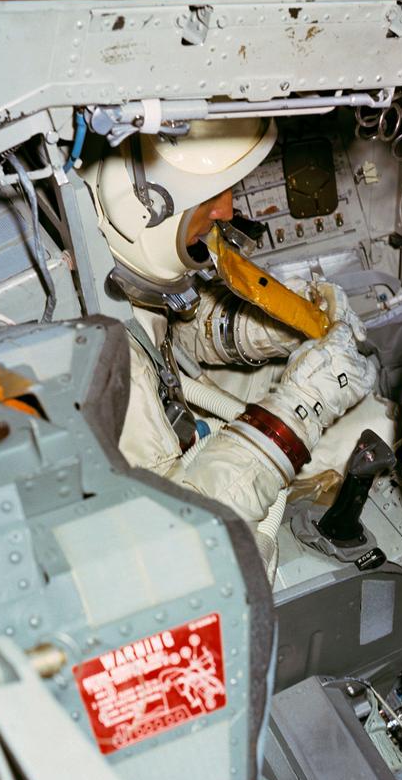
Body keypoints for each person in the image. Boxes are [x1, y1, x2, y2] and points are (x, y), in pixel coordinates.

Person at [87, 118, 380, 549]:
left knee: (363, 408)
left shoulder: (108, 261)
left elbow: (168, 335)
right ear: (140, 208)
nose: (225, 210)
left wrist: (274, 327)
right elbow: (180, 537)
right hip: (178, 526)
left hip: (175, 411)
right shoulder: (110, 364)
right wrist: (303, 407)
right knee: (353, 426)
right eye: (209, 195)